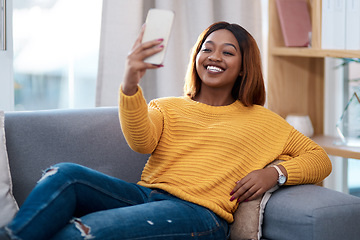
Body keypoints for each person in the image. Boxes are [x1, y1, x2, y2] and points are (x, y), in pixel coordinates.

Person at [0, 21, 332, 240]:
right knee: (64, 174)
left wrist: (274, 173)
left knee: (85, 231)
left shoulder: (264, 121)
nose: (213, 57)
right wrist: (130, 82)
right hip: (145, 195)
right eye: (207, 48)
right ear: (196, 57)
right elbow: (141, 141)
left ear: (244, 67)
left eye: (228, 52)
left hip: (202, 215)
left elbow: (319, 158)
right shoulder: (169, 107)